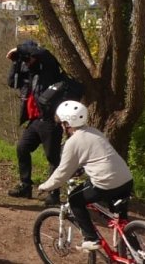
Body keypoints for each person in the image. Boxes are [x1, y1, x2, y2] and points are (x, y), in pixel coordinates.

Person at [37, 100, 134, 252]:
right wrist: (82, 171)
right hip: (126, 179)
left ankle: (91, 238)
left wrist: (45, 186)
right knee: (121, 222)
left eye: (62, 122)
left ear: (66, 123)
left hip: (106, 182)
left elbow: (62, 173)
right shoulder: (95, 132)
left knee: (75, 199)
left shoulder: (73, 142)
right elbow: (99, 157)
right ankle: (138, 253)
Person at [5, 40, 66, 205]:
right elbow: (11, 82)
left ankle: (54, 194)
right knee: (22, 148)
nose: (26, 61)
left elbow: (42, 52)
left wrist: (18, 49)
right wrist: (15, 62)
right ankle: (25, 186)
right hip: (34, 121)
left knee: (52, 157)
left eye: (27, 58)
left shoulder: (48, 66)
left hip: (50, 120)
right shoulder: (27, 70)